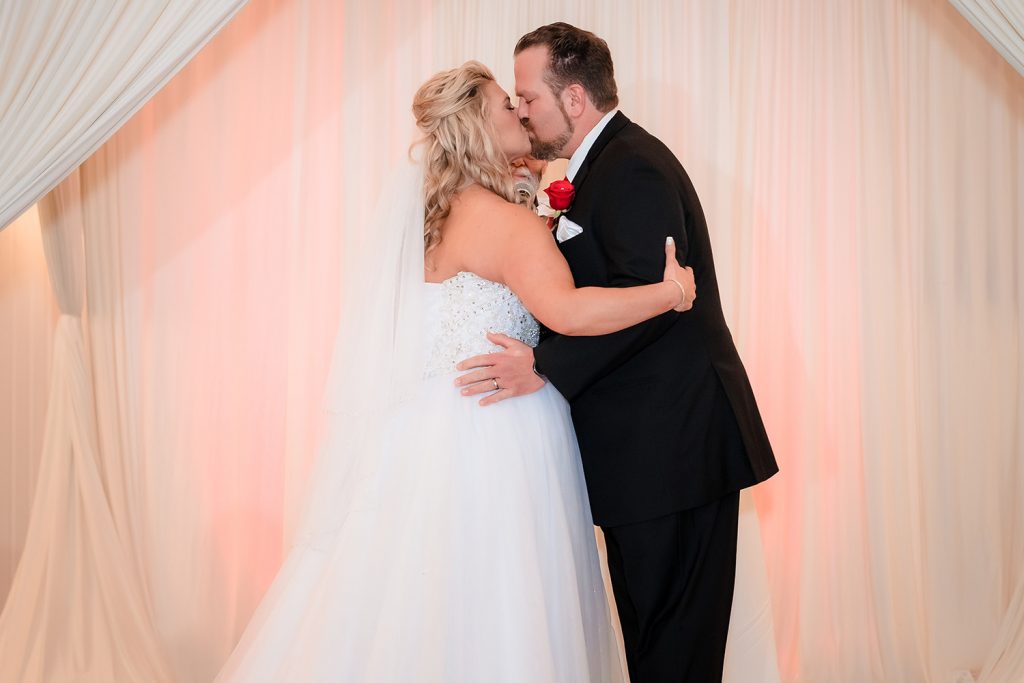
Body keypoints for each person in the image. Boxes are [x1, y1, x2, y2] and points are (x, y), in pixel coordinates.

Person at [215, 60, 697, 682]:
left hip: (422, 428)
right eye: (507, 106)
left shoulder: (434, 220)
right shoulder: (508, 225)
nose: (521, 112)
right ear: (478, 128)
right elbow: (568, 313)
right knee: (502, 599)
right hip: (500, 430)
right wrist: (669, 294)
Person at [455, 23, 780, 682]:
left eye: (528, 97)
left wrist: (543, 368)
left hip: (675, 449)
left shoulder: (632, 166)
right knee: (653, 645)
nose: (522, 111)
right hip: (643, 458)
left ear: (574, 99)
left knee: (675, 651)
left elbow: (649, 305)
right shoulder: (596, 168)